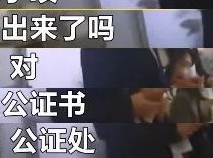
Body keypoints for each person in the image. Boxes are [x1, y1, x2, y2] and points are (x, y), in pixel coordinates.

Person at [64, 48, 203, 158]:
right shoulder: (100, 47)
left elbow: (146, 84)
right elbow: (105, 125)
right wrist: (173, 131)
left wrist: (173, 84)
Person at [165, 49, 213, 158]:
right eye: (184, 65)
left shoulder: (198, 98)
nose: (190, 72)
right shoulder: (181, 100)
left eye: (190, 66)